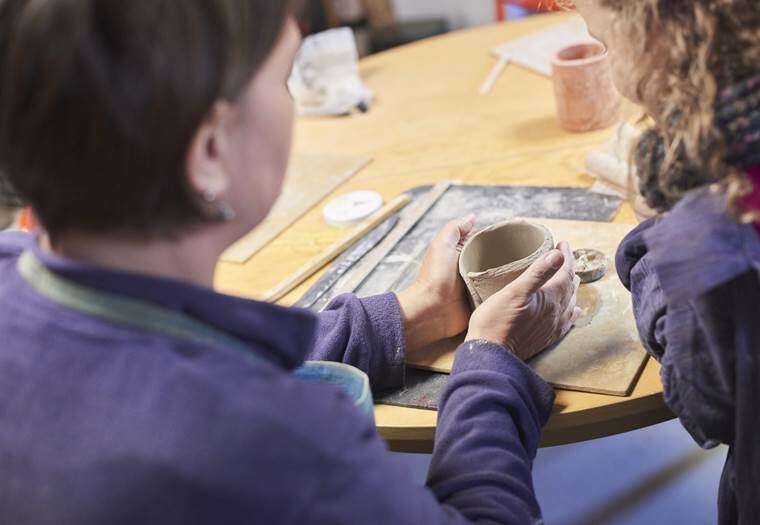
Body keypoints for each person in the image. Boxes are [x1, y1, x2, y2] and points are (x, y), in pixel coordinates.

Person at [0, 1, 581, 523]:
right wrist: (488, 365)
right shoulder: (279, 446)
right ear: (208, 153)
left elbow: (188, 356)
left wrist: (416, 313)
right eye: (283, 79)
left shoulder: (13, 265)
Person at [568, 0, 759, 523]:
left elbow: (706, 399)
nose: (612, 69)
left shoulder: (719, 219)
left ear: (656, 30)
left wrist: (652, 239)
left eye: (606, 43)